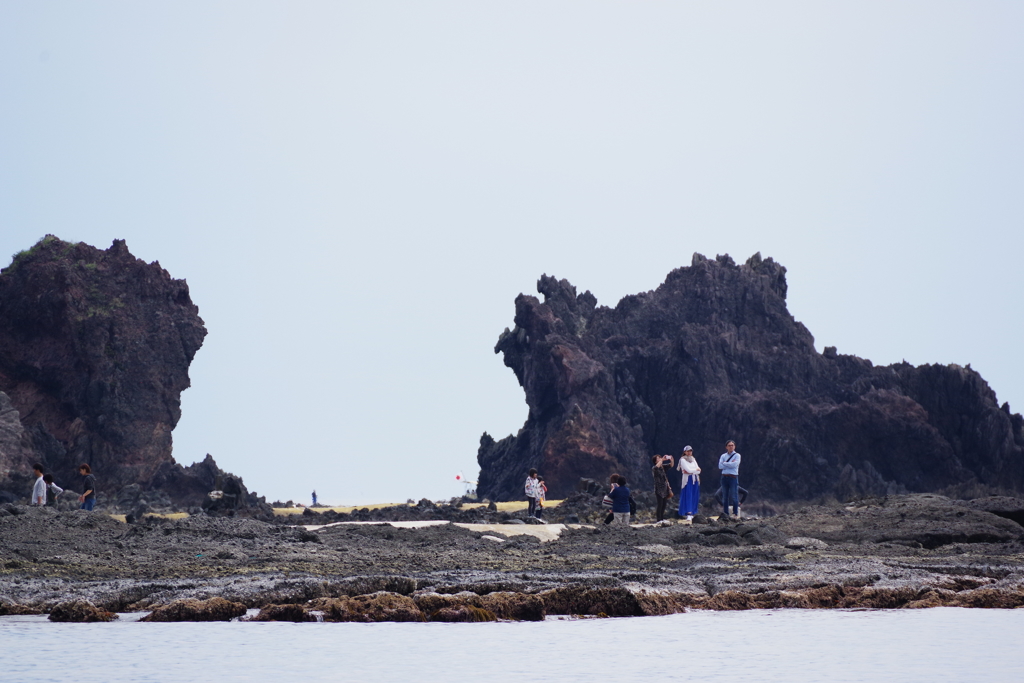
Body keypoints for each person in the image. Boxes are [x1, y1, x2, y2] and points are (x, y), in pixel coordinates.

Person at [718, 440, 741, 519]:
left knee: (734, 496)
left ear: (734, 446)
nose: (731, 447)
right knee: (725, 496)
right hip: (724, 477)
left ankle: (735, 513)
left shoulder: (737, 455)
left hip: (733, 477)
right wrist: (729, 464)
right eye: (729, 445)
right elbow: (720, 466)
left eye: (732, 445)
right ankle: (726, 513)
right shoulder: (723, 456)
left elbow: (734, 465)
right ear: (726, 447)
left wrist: (725, 463)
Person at [677, 446, 701, 521]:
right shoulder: (682, 460)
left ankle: (693, 512)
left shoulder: (693, 459)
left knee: (694, 495)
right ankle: (688, 513)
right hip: (687, 480)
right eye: (687, 451)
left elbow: (699, 470)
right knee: (688, 495)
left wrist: (693, 471)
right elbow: (688, 470)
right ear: (684, 452)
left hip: (695, 479)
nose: (689, 452)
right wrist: (694, 470)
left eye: (690, 451)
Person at [652, 455, 673, 522]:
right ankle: (659, 519)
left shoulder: (663, 467)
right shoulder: (654, 468)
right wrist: (662, 460)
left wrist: (671, 459)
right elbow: (656, 467)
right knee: (660, 504)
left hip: (665, 488)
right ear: (655, 461)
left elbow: (671, 465)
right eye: (658, 458)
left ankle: (662, 518)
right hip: (658, 489)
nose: (660, 459)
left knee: (664, 504)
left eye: (660, 458)